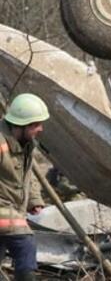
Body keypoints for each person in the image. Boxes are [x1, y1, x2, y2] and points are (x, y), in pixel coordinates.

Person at [0, 93, 49, 281]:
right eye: (36, 124)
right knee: (25, 244)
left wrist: (34, 200)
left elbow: (28, 176)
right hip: (4, 210)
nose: (40, 129)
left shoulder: (26, 144)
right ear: (21, 125)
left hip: (14, 210)